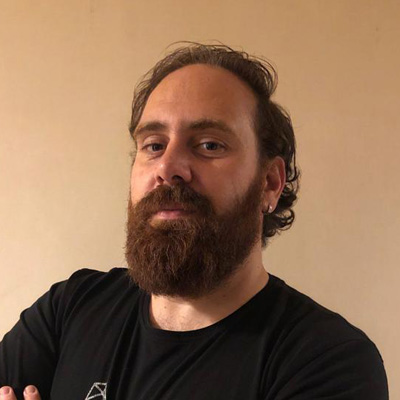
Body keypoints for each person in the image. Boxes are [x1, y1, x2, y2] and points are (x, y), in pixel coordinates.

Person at [0, 43, 388, 400]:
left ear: (270, 183)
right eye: (154, 145)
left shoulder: (328, 362)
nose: (168, 167)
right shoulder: (71, 309)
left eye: (209, 145)